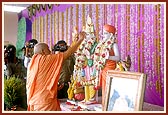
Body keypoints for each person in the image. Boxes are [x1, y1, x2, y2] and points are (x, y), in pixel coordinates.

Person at [26, 31, 86, 111]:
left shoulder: (33, 62)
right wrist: (80, 40)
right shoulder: (45, 59)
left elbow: (39, 81)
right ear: (43, 51)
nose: (50, 52)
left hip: (34, 101)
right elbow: (67, 54)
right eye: (48, 50)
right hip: (44, 102)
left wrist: (54, 87)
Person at [93, 24, 120, 107]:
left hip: (111, 69)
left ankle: (111, 105)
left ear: (111, 35)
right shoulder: (102, 45)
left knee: (111, 87)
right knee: (105, 87)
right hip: (103, 68)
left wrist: (109, 57)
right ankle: (105, 104)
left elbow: (118, 58)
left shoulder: (113, 45)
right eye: (103, 33)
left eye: (105, 33)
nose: (103, 35)